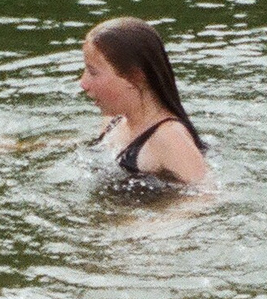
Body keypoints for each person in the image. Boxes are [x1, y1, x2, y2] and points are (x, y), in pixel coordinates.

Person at [79, 16, 210, 187]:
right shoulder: (115, 121)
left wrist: (143, 215)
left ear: (135, 76)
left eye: (93, 72)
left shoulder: (169, 137)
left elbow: (206, 196)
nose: (83, 83)